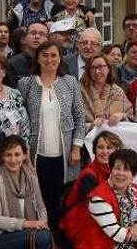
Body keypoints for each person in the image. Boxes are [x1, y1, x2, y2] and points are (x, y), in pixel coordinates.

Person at [18, 41, 86, 231]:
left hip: (65, 157)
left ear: (60, 58)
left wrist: (76, 147)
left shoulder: (70, 82)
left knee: (63, 202)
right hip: (36, 156)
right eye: (45, 55)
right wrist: (24, 153)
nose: (50, 59)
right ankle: (43, 246)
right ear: (37, 58)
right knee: (39, 201)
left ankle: (61, 247)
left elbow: (80, 117)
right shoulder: (26, 83)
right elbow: (20, 121)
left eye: (54, 55)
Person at [0, 135, 52, 249]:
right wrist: (28, 224)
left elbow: (41, 207)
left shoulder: (31, 178)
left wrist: (43, 223)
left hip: (26, 233)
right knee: (43, 238)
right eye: (8, 155)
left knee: (45, 236)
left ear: (25, 156)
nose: (13, 160)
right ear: (2, 157)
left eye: (17, 154)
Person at [79, 53, 132, 130]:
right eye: (93, 68)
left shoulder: (118, 91)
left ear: (108, 69)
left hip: (113, 138)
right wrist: (91, 126)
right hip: (85, 139)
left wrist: (121, 116)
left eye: (101, 67)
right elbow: (72, 121)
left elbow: (131, 117)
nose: (97, 71)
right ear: (88, 71)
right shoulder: (79, 91)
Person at [5, 22, 48, 88]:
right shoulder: (12, 63)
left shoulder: (52, 62)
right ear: (25, 39)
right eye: (33, 33)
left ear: (47, 39)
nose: (37, 37)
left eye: (41, 34)